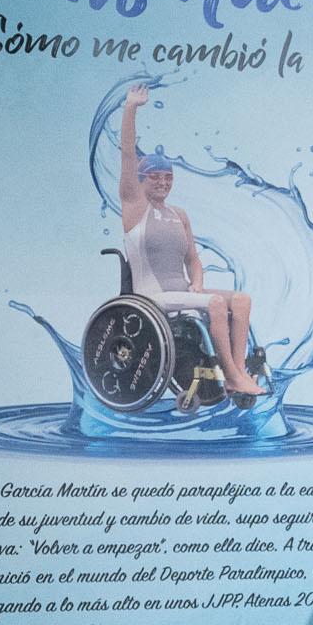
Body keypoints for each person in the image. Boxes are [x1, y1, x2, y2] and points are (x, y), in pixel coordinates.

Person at [119, 83, 265, 405]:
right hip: (151, 298)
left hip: (184, 293)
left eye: (168, 177)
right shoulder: (133, 209)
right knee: (214, 304)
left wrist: (197, 281)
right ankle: (232, 374)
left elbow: (193, 258)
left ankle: (237, 373)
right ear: (141, 181)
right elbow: (128, 154)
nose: (163, 182)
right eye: (155, 177)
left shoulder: (179, 214)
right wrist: (131, 109)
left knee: (240, 300)